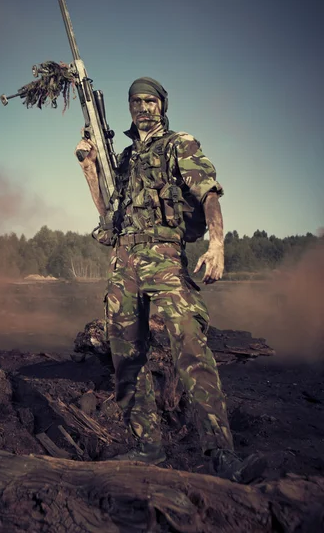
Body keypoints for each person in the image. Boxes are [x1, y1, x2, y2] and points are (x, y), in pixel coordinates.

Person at [75, 77, 265, 483]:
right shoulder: (124, 158)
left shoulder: (180, 144)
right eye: (136, 102)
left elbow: (208, 192)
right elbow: (109, 211)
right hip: (123, 259)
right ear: (129, 108)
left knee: (191, 348)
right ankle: (148, 447)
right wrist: (90, 168)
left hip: (164, 258)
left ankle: (222, 456)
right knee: (126, 354)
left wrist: (217, 246)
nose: (143, 108)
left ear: (162, 105)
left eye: (150, 101)